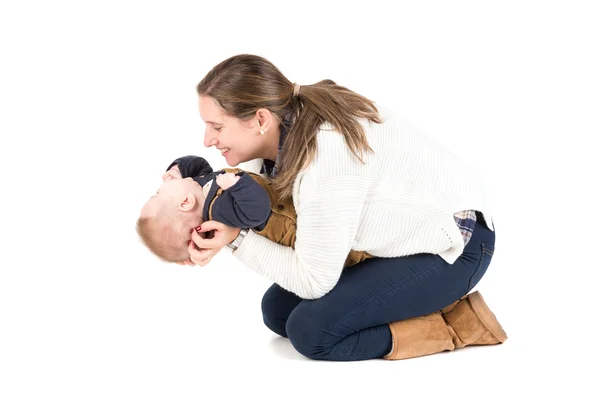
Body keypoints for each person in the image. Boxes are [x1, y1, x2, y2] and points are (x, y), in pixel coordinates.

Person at [183, 54, 507, 361]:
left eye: (217, 127)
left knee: (313, 333)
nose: (207, 140)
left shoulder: (325, 158)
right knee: (278, 312)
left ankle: (456, 324)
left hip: (458, 245)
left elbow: (314, 280)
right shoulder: (274, 143)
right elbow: (269, 219)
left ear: (260, 119)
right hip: (401, 240)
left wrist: (236, 240)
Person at [137, 155, 372, 267]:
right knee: (357, 240)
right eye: (158, 193)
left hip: (311, 206)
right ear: (185, 202)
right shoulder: (221, 209)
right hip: (316, 233)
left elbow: (199, 165)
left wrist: (178, 169)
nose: (161, 186)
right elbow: (257, 212)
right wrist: (238, 185)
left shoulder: (202, 187)